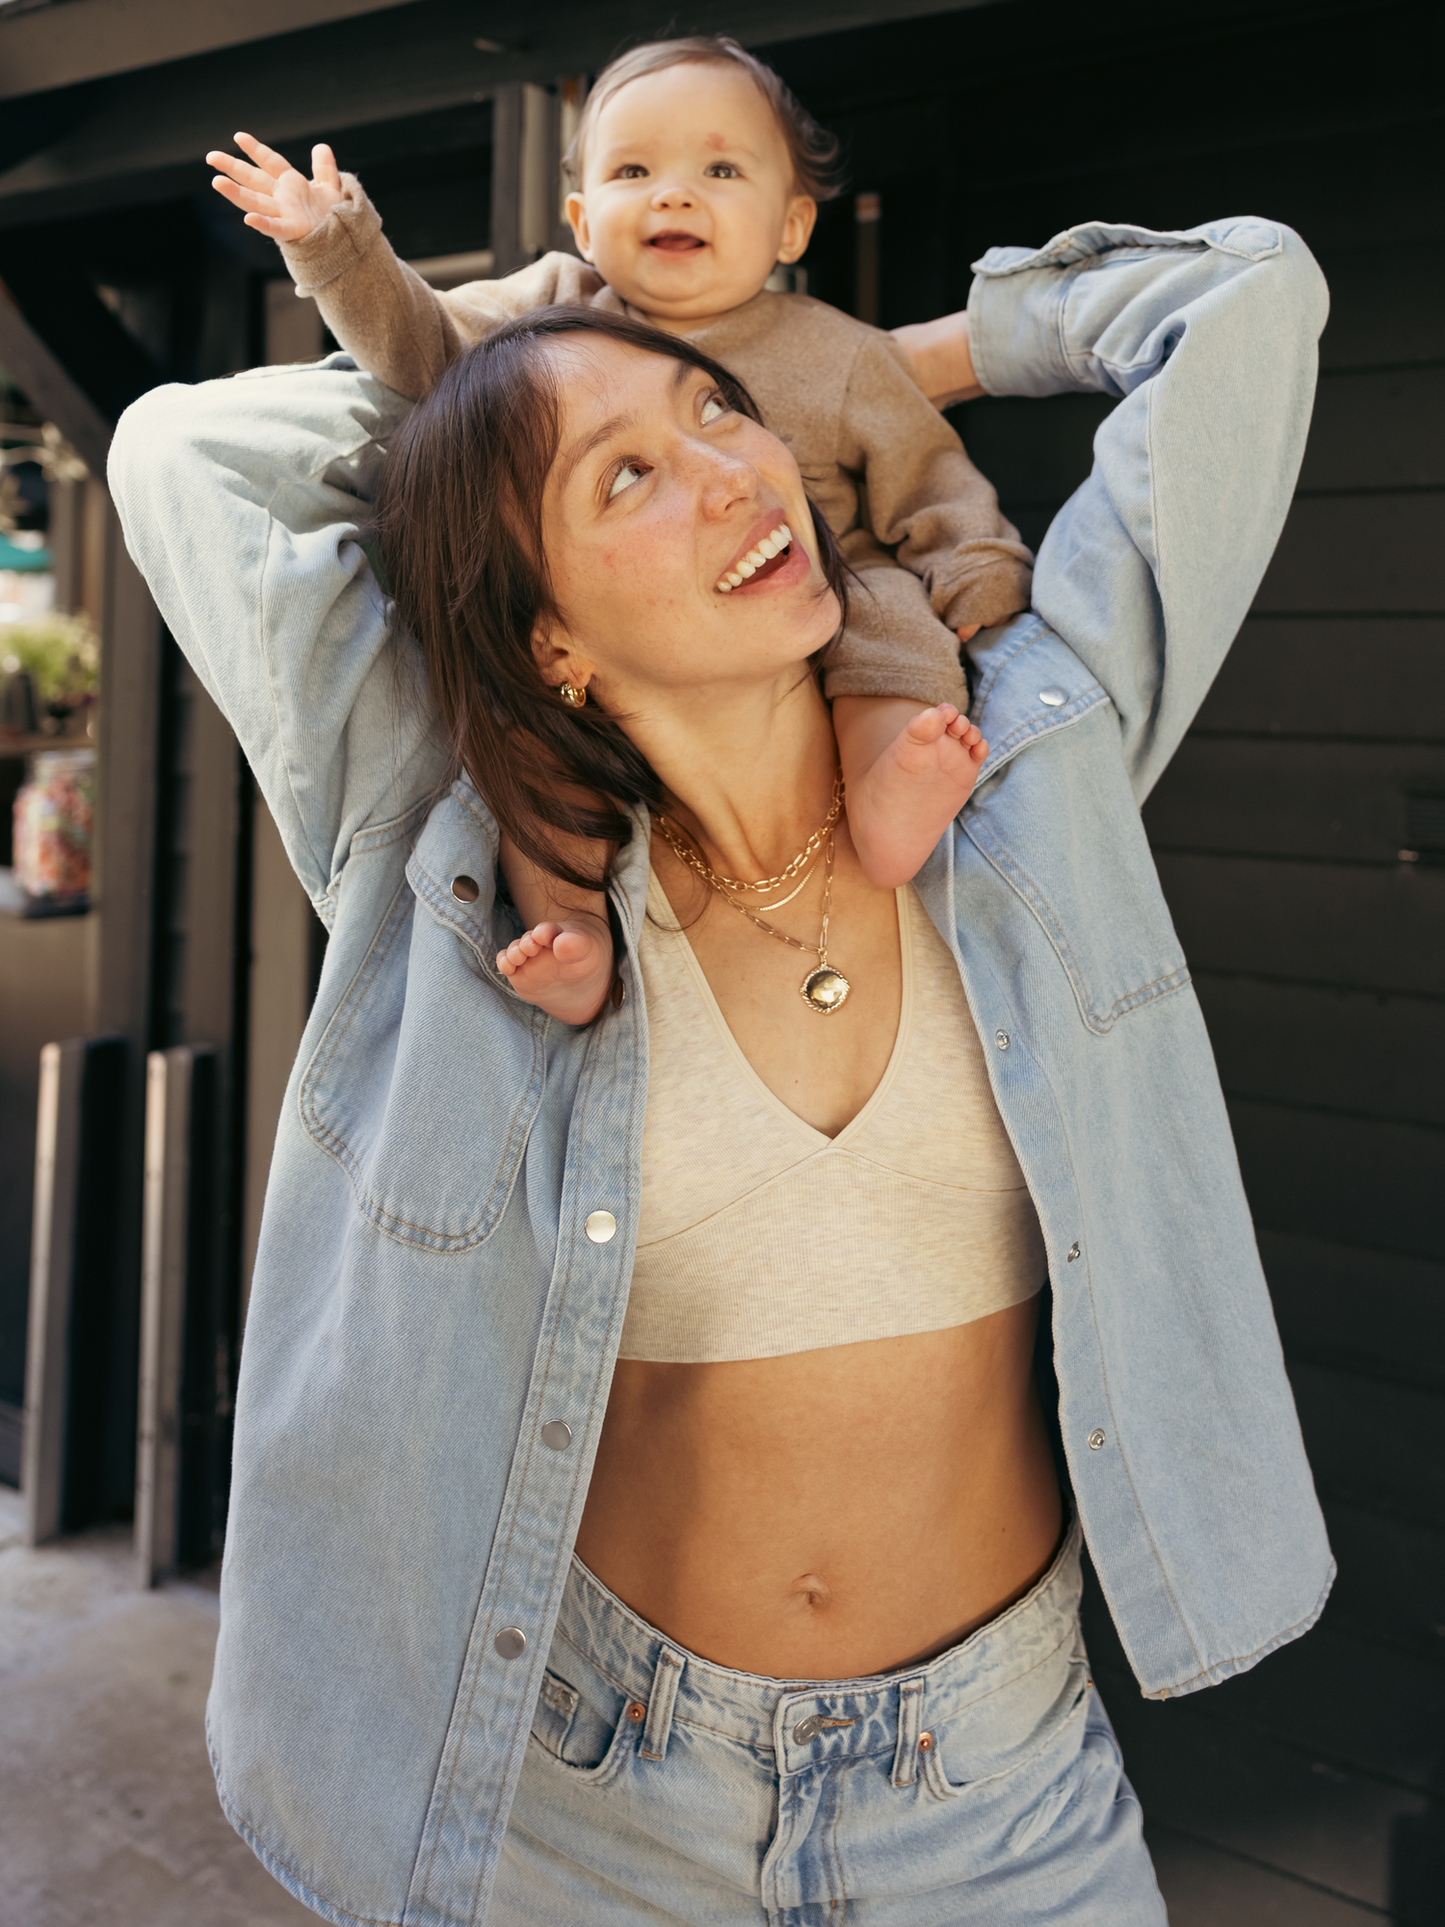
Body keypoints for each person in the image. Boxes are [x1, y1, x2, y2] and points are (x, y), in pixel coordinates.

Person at [109, 215, 1334, 1927]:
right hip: (593, 1794)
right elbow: (184, 452)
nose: (730, 469)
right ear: (550, 642)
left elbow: (1247, 296)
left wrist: (857, 363)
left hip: (1000, 1784)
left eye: (724, 418)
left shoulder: (1027, 752)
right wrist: (511, 317)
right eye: (625, 482)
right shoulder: (454, 856)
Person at [206, 34, 1034, 1024]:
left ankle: (889, 786)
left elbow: (925, 475)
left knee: (890, 622)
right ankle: (573, 928)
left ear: (791, 225)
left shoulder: (842, 355)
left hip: (822, 573)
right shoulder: (551, 319)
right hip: (624, 632)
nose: (672, 194)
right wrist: (338, 248)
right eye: (633, 170)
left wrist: (975, 565)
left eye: (719, 169)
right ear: (580, 218)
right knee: (529, 745)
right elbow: (422, 344)